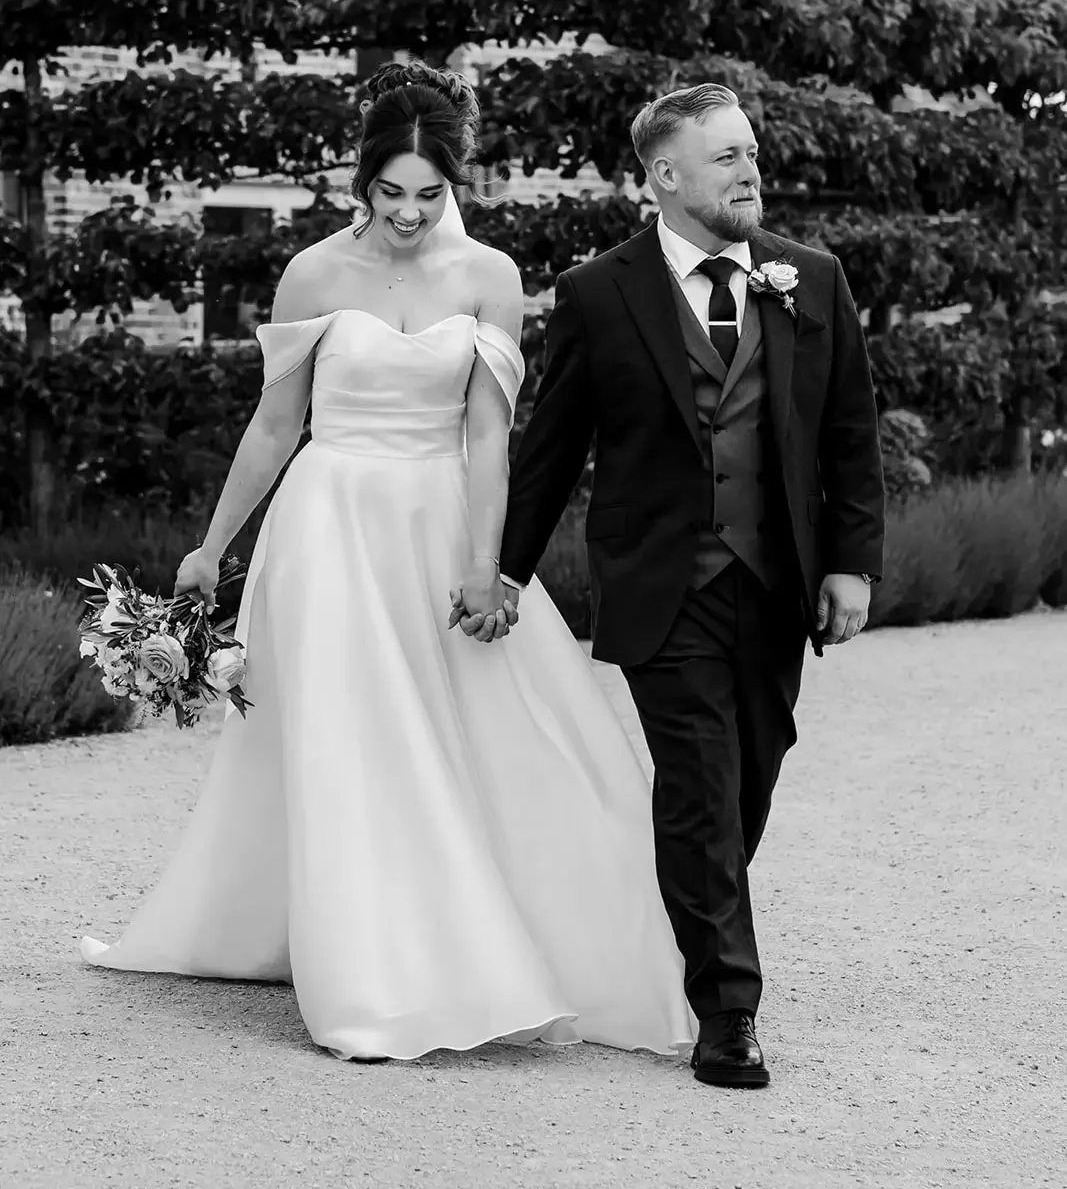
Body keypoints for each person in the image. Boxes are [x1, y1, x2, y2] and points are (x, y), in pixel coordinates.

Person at [81, 61, 696, 1064]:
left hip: (439, 518)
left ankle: (488, 939)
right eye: (389, 193)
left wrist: (484, 562)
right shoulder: (314, 273)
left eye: (429, 194)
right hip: (328, 526)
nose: (408, 215)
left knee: (482, 730)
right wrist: (212, 542)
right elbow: (275, 424)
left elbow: (489, 437)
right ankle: (368, 967)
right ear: (359, 184)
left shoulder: (490, 278)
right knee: (350, 735)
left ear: (452, 185)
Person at [457, 82, 885, 1088]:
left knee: (749, 775)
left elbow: (848, 434)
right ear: (664, 175)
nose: (750, 169)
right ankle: (725, 1015)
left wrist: (850, 562)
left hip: (775, 581)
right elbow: (550, 448)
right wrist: (501, 574)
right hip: (662, 586)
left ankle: (691, 929)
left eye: (748, 152)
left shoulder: (808, 279)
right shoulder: (599, 292)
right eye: (727, 155)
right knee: (697, 789)